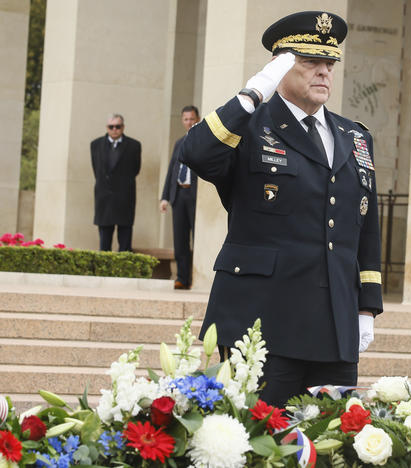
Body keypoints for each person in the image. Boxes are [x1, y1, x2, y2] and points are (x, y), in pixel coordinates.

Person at [180, 11, 383, 408]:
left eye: (330, 63)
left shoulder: (354, 136)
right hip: (260, 322)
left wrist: (366, 307)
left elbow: (366, 226)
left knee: (329, 443)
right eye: (310, 62)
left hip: (334, 326)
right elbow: (195, 153)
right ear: (281, 66)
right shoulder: (249, 127)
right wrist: (252, 94)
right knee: (257, 441)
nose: (324, 72)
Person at [160, 106, 200, 289]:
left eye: (191, 119)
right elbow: (171, 171)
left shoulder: (203, 141)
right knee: (180, 239)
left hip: (195, 196)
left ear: (197, 119)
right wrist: (165, 197)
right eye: (185, 119)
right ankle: (182, 278)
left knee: (195, 238)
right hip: (179, 195)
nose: (189, 122)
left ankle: (195, 277)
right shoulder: (179, 143)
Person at [90, 114, 141, 251]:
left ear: (123, 127)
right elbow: (97, 169)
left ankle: (124, 272)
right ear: (107, 127)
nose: (114, 130)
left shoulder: (134, 146)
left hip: (125, 199)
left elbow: (135, 169)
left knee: (125, 243)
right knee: (104, 243)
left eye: (117, 126)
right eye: (111, 127)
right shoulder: (95, 145)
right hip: (104, 199)